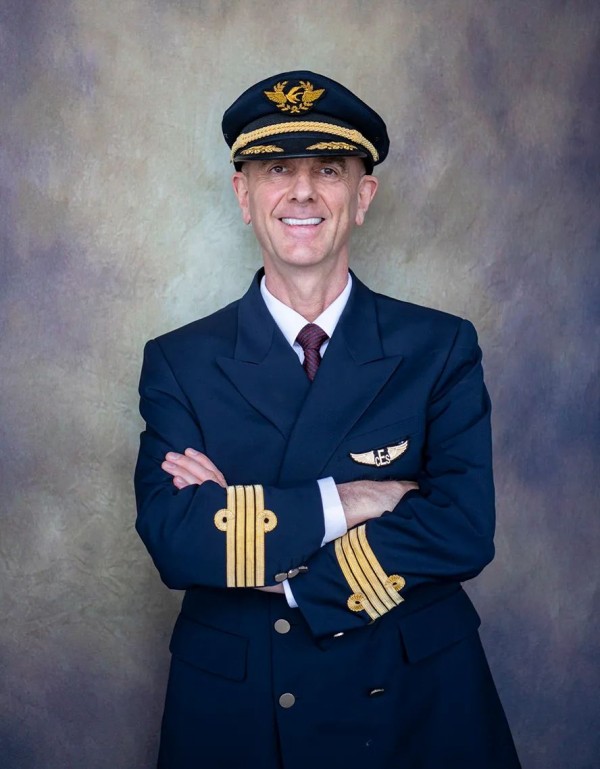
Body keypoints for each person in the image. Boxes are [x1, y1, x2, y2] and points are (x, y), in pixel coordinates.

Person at [134, 70, 521, 769]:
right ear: (244, 196)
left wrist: (281, 568)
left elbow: (463, 530)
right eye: (277, 169)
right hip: (244, 704)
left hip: (413, 697)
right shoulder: (179, 361)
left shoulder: (439, 347)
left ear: (363, 196)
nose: (303, 192)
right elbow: (177, 540)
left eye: (330, 170)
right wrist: (358, 499)